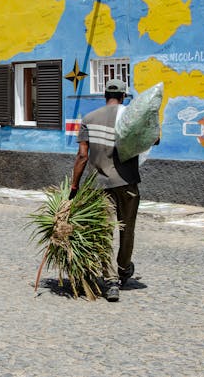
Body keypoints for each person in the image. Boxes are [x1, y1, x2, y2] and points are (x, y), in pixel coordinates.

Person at [70, 78, 144, 302]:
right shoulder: (131, 117)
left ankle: (110, 281)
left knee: (104, 232)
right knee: (127, 229)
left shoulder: (89, 119)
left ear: (105, 96)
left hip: (101, 185)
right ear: (123, 96)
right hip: (128, 183)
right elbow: (154, 139)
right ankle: (122, 270)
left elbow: (82, 156)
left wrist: (74, 186)